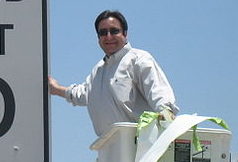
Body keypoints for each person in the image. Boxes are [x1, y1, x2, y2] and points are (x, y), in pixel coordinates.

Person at [48, 10, 179, 136]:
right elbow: (83, 94)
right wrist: (56, 89)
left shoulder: (138, 59)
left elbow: (158, 90)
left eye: (114, 31)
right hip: (108, 150)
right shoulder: (98, 71)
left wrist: (166, 113)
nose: (109, 36)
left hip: (140, 147)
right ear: (98, 38)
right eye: (103, 32)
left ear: (125, 33)